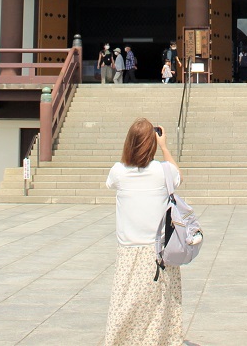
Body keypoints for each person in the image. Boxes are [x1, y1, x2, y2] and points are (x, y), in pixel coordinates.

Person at [104, 118, 183, 346]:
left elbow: (110, 184)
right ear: (152, 144)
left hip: (128, 249)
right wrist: (165, 147)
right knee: (158, 306)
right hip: (157, 251)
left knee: (125, 303)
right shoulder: (162, 171)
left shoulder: (118, 171)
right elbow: (178, 176)